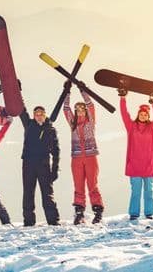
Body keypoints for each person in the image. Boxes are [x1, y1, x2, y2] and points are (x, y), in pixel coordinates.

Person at [118, 82, 153, 221]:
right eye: (141, 114)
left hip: (149, 164)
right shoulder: (131, 126)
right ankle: (134, 214)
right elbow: (124, 114)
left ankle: (149, 213)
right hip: (134, 165)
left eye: (145, 114)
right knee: (136, 192)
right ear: (138, 115)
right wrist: (123, 98)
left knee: (149, 191)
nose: (143, 116)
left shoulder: (152, 127)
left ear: (148, 116)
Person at [62, 82, 104, 225]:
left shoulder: (90, 122)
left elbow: (91, 105)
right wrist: (67, 91)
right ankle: (79, 212)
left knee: (92, 184)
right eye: (77, 110)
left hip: (91, 157)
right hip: (77, 158)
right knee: (78, 185)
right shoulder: (72, 123)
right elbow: (66, 108)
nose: (80, 111)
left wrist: (82, 90)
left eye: (82, 109)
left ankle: (98, 211)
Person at [19, 105, 61, 226]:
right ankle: (28, 221)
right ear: (34, 116)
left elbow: (56, 151)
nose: (39, 116)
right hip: (28, 163)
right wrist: (15, 93)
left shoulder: (50, 129)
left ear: (45, 115)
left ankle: (53, 220)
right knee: (28, 192)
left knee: (47, 193)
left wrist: (55, 169)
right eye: (36, 114)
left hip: (44, 164)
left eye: (41, 114)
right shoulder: (28, 124)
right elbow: (21, 110)